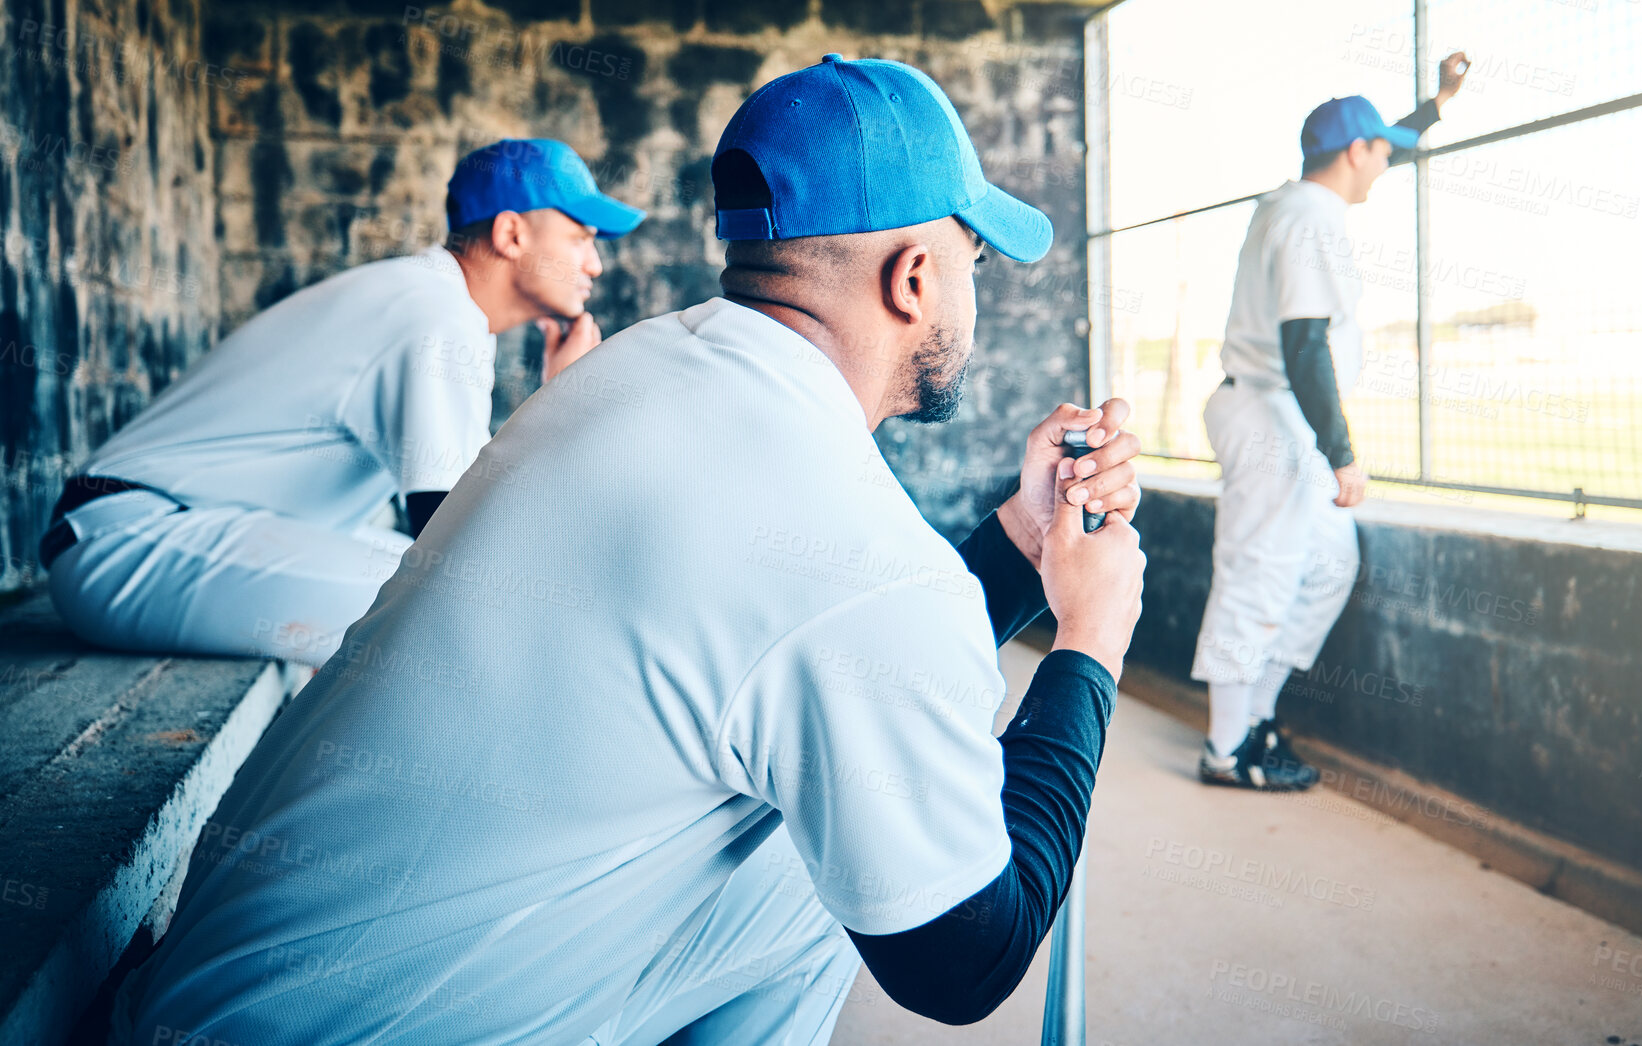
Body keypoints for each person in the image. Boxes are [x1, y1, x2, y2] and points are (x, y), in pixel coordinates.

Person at [109, 54, 1148, 1045]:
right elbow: (963, 958)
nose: (979, 293)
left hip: (207, 997)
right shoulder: (851, 544)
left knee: (841, 818)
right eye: (975, 262)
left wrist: (1021, 539)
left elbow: (840, 647)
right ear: (914, 277)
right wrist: (1089, 640)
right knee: (859, 844)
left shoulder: (632, 374)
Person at [38, 138, 642, 665]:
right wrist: (562, 407)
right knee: (460, 604)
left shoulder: (437, 302)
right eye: (582, 236)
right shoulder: (437, 312)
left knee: (459, 589)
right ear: (511, 233)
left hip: (162, 534)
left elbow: (460, 526)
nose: (594, 262)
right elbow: (457, 539)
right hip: (129, 539)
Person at [1193, 53, 1470, 791]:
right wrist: (1343, 453)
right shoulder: (1311, 218)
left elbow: (1390, 139)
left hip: (1281, 416)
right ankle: (1225, 749)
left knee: (1327, 566)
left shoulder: (1297, 202)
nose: (1388, 162)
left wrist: (1436, 104)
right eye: (1380, 151)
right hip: (1271, 417)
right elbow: (1304, 341)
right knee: (1256, 579)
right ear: (1354, 153)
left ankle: (1254, 720)